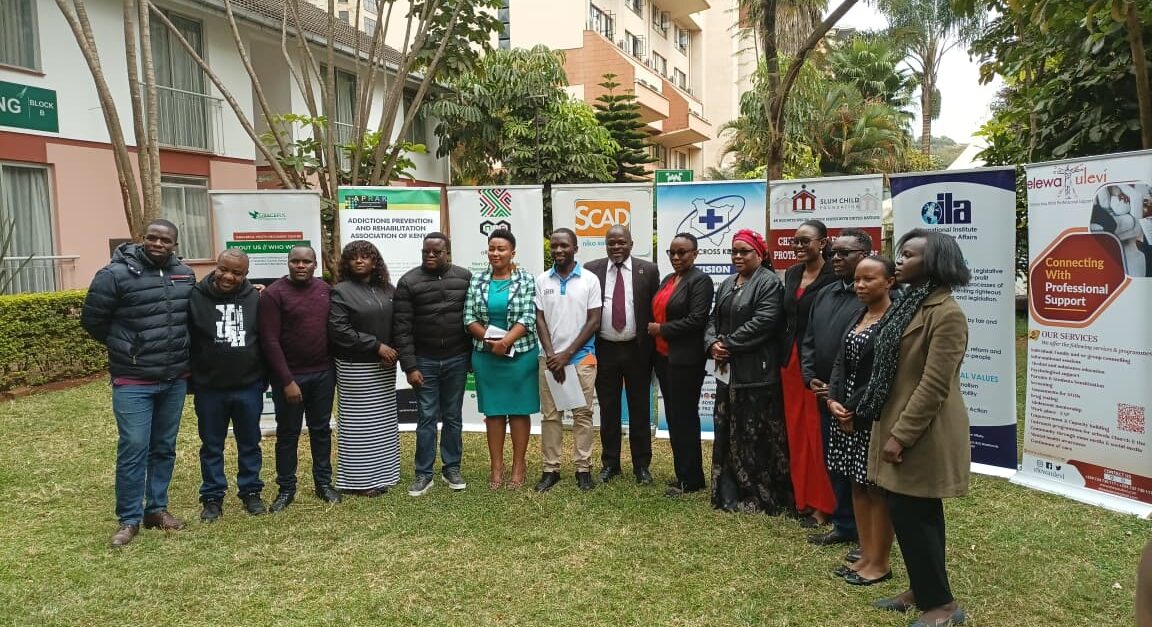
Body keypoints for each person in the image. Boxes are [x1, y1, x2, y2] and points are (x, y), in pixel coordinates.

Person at [861, 230, 971, 627]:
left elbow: (934, 385)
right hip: (897, 420)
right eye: (901, 253)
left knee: (915, 514)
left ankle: (943, 605)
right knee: (910, 511)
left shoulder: (947, 314)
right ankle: (922, 590)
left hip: (924, 432)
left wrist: (901, 436)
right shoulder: (909, 304)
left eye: (909, 255)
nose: (899, 260)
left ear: (934, 263)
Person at [80, 219, 196, 547]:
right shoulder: (114, 275)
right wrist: (127, 347)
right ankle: (129, 518)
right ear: (142, 239)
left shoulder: (185, 275)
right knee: (134, 446)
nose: (158, 244)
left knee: (164, 446)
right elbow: (92, 320)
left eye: (165, 240)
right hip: (134, 379)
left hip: (174, 378)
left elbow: (192, 317)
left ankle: (156, 509)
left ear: (174, 245)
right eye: (152, 238)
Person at [704, 229, 792, 514]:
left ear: (760, 254)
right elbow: (713, 319)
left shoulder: (769, 283)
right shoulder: (728, 283)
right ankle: (729, 491)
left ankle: (759, 496)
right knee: (728, 430)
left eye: (745, 251)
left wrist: (727, 344)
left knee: (755, 436)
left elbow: (764, 321)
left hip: (757, 374)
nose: (738, 256)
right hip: (728, 372)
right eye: (734, 251)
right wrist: (712, 344)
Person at [800, 229, 874, 548]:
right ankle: (844, 524)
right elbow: (809, 339)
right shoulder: (825, 293)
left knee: (861, 469)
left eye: (845, 253)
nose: (836, 258)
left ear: (865, 256)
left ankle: (867, 532)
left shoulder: (876, 298)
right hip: (824, 396)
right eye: (834, 253)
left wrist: (838, 389)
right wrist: (810, 377)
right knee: (836, 462)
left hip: (857, 399)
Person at [827, 255, 896, 586]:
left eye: (869, 279)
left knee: (875, 489)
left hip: (871, 415)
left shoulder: (893, 321)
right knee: (856, 484)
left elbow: (884, 374)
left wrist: (854, 409)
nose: (860, 285)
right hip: (844, 412)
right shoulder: (859, 314)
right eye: (857, 279)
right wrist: (833, 400)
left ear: (889, 282)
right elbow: (840, 363)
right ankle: (865, 555)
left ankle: (879, 563)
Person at [259, 245, 340, 512]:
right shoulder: (274, 294)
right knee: (288, 433)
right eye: (295, 261)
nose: (301, 266)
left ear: (315, 264)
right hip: (290, 377)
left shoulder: (325, 290)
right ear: (288, 263)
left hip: (323, 374)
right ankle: (286, 488)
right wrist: (286, 381)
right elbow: (270, 341)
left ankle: (323, 483)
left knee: (321, 430)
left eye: (306, 261)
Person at [187, 249, 267, 521]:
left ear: (246, 274)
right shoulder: (195, 297)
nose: (228, 276)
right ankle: (212, 497)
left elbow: (265, 338)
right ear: (216, 266)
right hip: (209, 388)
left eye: (237, 272)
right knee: (211, 446)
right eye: (224, 269)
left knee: (250, 442)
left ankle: (251, 491)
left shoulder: (255, 298)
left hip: (248, 386)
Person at [395, 232, 473, 496]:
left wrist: (470, 359)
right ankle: (423, 473)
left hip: (457, 359)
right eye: (426, 251)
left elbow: (472, 319)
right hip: (424, 361)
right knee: (426, 416)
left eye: (436, 252)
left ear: (447, 253)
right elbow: (402, 329)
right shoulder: (409, 281)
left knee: (453, 416)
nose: (430, 255)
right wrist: (410, 366)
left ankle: (452, 468)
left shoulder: (464, 278)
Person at [464, 229, 540, 489]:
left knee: (519, 410)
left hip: (521, 354)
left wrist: (506, 342)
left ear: (512, 253)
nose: (495, 253)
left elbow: (528, 317)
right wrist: (492, 342)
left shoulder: (526, 279)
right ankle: (497, 465)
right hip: (487, 355)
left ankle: (519, 464)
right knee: (494, 412)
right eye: (492, 248)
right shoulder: (477, 280)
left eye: (501, 249)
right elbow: (469, 317)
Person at [585, 225, 660, 485]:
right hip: (604, 349)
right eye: (611, 243)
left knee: (639, 408)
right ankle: (610, 463)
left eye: (621, 242)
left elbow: (654, 309)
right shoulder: (592, 270)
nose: (616, 247)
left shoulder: (648, 270)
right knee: (608, 408)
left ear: (631, 243)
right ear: (606, 245)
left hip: (637, 350)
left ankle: (641, 465)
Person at [328, 240, 400, 496]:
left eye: (365, 256)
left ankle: (384, 474)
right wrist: (376, 346)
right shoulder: (341, 291)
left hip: (384, 365)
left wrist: (392, 350)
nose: (359, 261)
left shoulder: (388, 289)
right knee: (359, 425)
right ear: (346, 263)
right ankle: (359, 481)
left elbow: (398, 323)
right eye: (353, 257)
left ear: (374, 261)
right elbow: (339, 330)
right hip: (355, 366)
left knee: (382, 423)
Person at [535, 228, 603, 492]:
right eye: (554, 246)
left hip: (582, 357)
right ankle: (550, 469)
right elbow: (540, 319)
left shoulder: (590, 280)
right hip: (549, 359)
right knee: (550, 416)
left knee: (582, 414)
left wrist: (567, 355)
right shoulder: (543, 280)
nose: (558, 250)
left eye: (564, 245)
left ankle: (583, 469)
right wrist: (553, 355)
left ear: (575, 248)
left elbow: (594, 320)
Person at [647, 232, 715, 497]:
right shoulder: (669, 279)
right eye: (672, 252)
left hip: (686, 361)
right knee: (674, 417)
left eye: (682, 252)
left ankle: (691, 479)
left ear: (695, 254)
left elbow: (697, 320)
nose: (676, 257)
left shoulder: (700, 281)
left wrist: (662, 329)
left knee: (684, 417)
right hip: (664, 358)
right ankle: (682, 473)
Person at [780, 219, 837, 526]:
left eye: (805, 241)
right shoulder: (791, 273)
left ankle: (823, 505)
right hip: (789, 363)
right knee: (796, 431)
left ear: (823, 243)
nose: (799, 246)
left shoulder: (834, 275)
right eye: (795, 241)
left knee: (817, 434)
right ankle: (802, 498)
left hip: (817, 365)